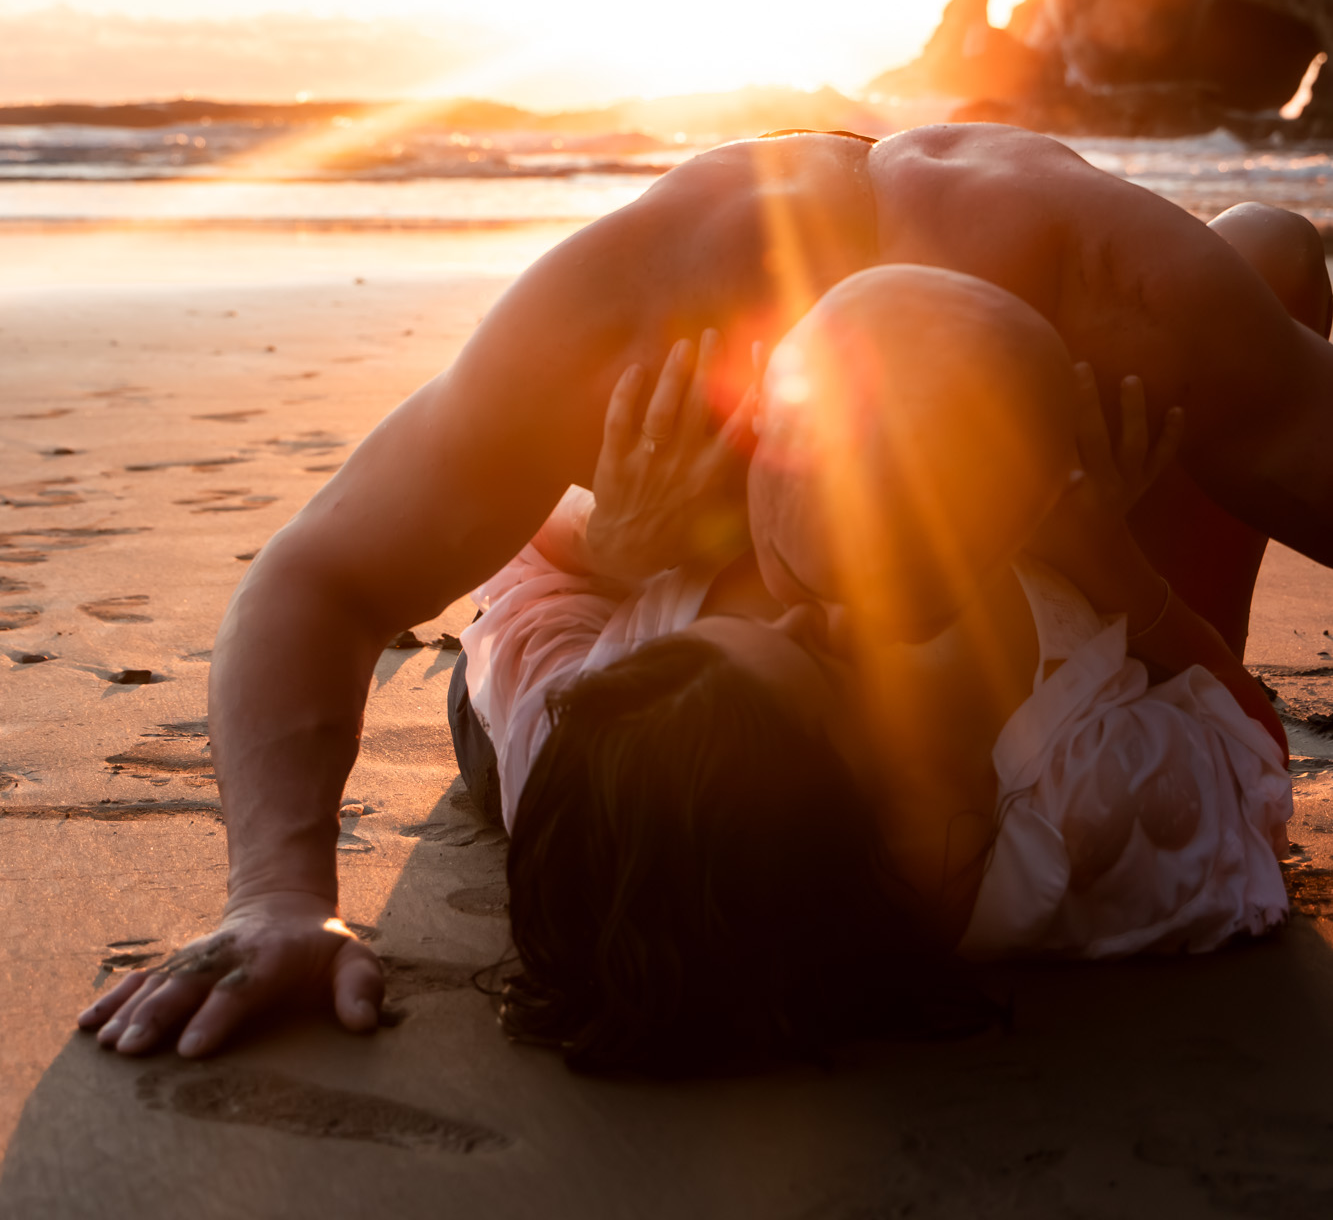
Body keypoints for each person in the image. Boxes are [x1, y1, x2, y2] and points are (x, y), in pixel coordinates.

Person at [77, 125, 1333, 1058]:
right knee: (1269, 253)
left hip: (1040, 379)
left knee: (1269, 264)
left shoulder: (1145, 326)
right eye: (819, 636)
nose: (825, 609)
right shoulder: (639, 328)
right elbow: (322, 576)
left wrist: (606, 548)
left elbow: (324, 573)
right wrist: (1116, 572)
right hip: (968, 566)